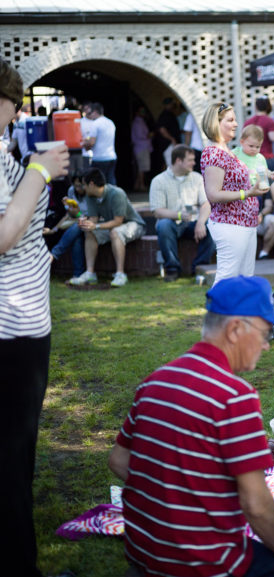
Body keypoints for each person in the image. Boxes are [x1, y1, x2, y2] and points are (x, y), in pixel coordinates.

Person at [108, 275, 274, 577]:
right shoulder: (234, 396)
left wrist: (174, 499)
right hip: (201, 563)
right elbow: (255, 503)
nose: (266, 345)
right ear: (235, 329)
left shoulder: (155, 379)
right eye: (266, 333)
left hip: (142, 551)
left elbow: (119, 460)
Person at [0, 57, 70, 577]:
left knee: (17, 451)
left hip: (22, 323)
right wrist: (41, 171)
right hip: (9, 330)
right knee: (8, 457)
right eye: (11, 102)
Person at [201, 102, 265, 284]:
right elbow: (213, 194)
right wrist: (248, 193)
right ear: (216, 123)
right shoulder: (214, 153)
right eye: (230, 120)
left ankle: (239, 313)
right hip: (230, 224)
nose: (236, 124)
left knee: (244, 280)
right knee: (226, 280)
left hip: (246, 223)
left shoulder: (227, 151)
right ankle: (215, 313)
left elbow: (235, 182)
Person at [69, 167, 146, 287]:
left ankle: (120, 274)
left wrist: (96, 226)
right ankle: (90, 273)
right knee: (89, 232)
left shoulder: (116, 193)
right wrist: (85, 222)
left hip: (134, 224)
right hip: (113, 225)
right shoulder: (91, 196)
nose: (83, 188)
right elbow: (93, 219)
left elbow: (118, 221)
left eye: (84, 184)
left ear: (91, 184)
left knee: (115, 232)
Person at [150, 144, 215, 282]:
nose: (194, 163)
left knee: (213, 226)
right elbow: (157, 211)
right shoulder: (159, 181)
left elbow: (206, 203)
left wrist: (201, 222)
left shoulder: (197, 178)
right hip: (172, 223)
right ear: (178, 161)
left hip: (194, 223)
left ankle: (199, 268)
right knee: (163, 226)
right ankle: (172, 269)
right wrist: (179, 215)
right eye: (190, 160)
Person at [46, 171, 87, 282]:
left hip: (89, 223)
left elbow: (87, 216)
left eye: (81, 185)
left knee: (78, 226)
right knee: (76, 237)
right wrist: (67, 208)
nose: (78, 188)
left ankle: (53, 255)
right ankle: (78, 275)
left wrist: (78, 215)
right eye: (76, 185)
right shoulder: (71, 191)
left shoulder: (90, 192)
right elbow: (71, 214)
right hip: (77, 223)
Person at [82, 102, 117, 185]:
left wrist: (84, 143)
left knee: (98, 181)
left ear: (95, 112)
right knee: (111, 180)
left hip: (99, 157)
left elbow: (91, 143)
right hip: (112, 156)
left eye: (90, 113)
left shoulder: (95, 124)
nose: (90, 116)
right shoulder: (110, 122)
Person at [244, 96, 274, 173]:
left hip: (251, 159)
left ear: (256, 107)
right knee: (271, 183)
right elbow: (273, 137)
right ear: (268, 106)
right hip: (267, 158)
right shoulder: (270, 120)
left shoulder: (248, 122)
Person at [130, 106, 153, 191]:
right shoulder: (138, 123)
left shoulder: (140, 122)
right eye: (141, 111)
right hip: (141, 147)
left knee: (141, 167)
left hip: (142, 147)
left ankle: (137, 185)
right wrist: (150, 135)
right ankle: (141, 185)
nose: (143, 113)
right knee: (142, 168)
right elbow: (141, 135)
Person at [156, 97, 182, 168]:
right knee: (171, 166)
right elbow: (162, 129)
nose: (172, 105)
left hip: (171, 144)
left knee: (173, 165)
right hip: (168, 145)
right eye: (171, 104)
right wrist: (172, 139)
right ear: (167, 104)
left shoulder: (170, 114)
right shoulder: (164, 115)